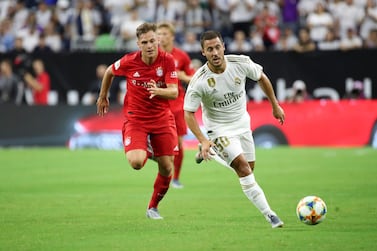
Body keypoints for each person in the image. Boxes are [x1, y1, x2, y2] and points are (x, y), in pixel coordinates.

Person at [183, 30, 285, 228]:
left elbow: (261, 77)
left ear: (224, 47)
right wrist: (203, 139)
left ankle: (211, 152)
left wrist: (275, 105)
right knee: (243, 168)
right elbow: (188, 113)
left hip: (242, 124)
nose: (215, 52)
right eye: (209, 49)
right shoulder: (199, 81)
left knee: (249, 170)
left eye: (217, 47)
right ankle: (270, 215)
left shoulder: (240, 63)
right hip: (218, 130)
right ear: (203, 52)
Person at [96, 22, 179, 220]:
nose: (150, 45)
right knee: (136, 162)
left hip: (161, 118)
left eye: (152, 40)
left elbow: (174, 91)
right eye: (145, 42)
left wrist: (158, 91)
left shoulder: (167, 60)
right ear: (138, 44)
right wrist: (103, 96)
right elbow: (109, 71)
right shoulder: (129, 61)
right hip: (136, 119)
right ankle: (147, 149)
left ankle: (153, 207)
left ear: (157, 40)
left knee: (167, 167)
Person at [157, 22, 196, 189]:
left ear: (172, 36)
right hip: (157, 102)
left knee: (178, 143)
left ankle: (176, 178)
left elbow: (193, 78)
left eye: (164, 33)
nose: (161, 37)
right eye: (158, 34)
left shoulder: (181, 56)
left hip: (177, 103)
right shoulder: (152, 55)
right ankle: (164, 170)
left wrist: (182, 77)